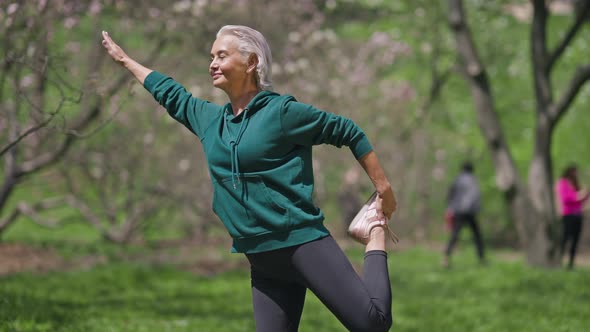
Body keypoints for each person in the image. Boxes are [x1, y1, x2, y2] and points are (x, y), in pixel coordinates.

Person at [101, 25, 397, 332]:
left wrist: (383, 189)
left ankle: (374, 231)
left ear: (251, 62)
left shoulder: (282, 113)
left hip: (301, 243)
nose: (212, 63)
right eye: (211, 56)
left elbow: (348, 131)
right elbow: (171, 94)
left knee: (371, 325)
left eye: (222, 55)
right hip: (261, 256)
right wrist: (125, 60)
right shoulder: (211, 121)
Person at [442, 161, 485, 267]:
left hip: (458, 211)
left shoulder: (458, 179)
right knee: (477, 235)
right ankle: (482, 259)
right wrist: (476, 210)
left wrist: (450, 207)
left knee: (455, 234)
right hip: (470, 212)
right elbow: (476, 196)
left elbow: (450, 194)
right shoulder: (473, 180)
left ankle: (446, 258)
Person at [555, 165, 589, 269]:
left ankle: (571, 264)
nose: (576, 174)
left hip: (578, 215)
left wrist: (585, 195)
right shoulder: (562, 183)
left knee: (575, 239)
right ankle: (558, 261)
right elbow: (566, 199)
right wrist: (579, 196)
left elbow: (581, 202)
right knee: (565, 238)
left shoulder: (575, 184)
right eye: (575, 172)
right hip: (568, 215)